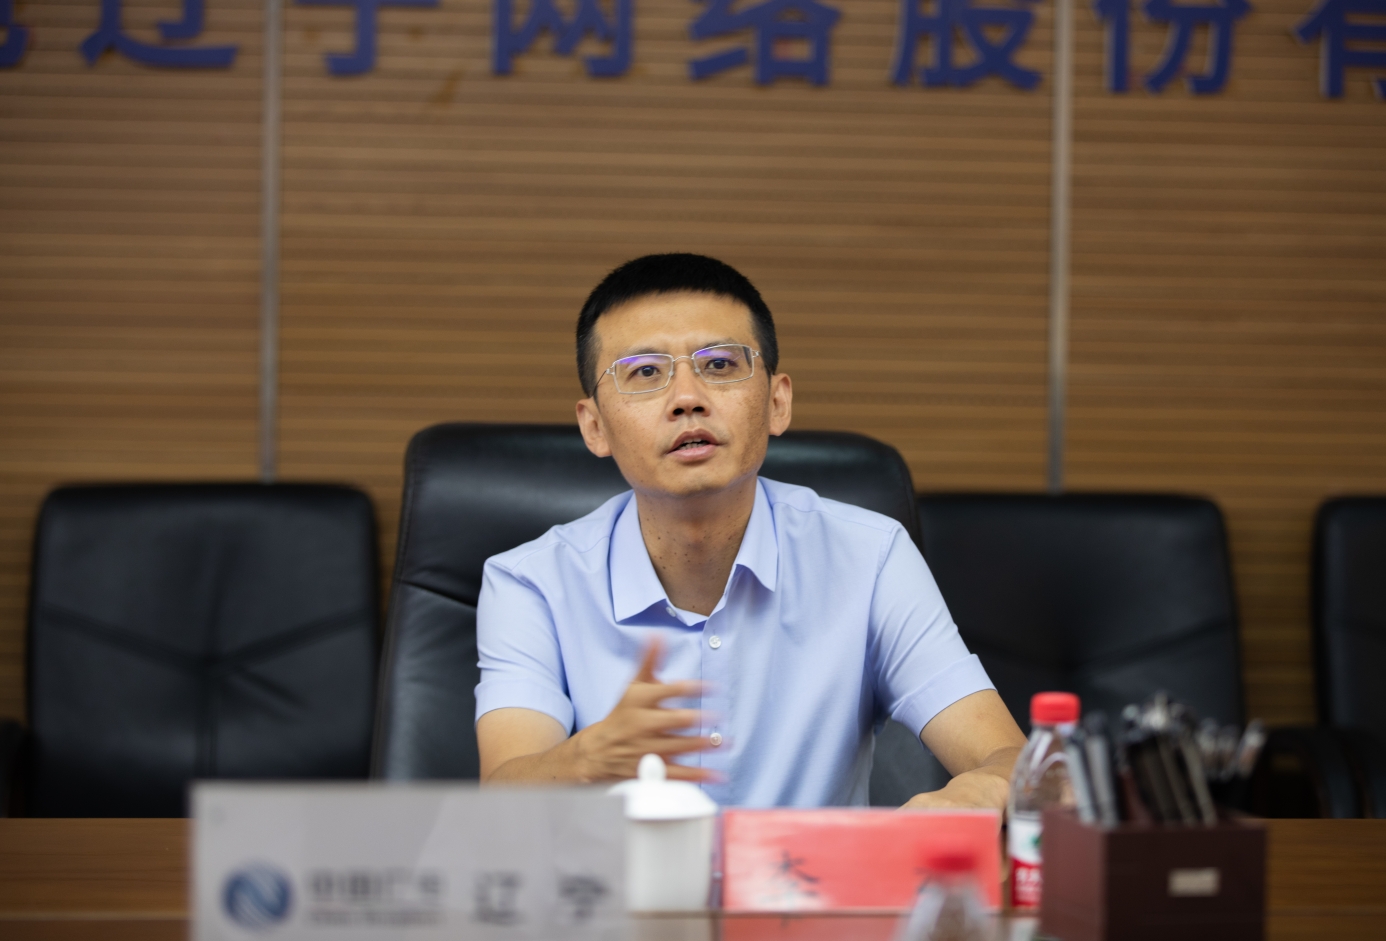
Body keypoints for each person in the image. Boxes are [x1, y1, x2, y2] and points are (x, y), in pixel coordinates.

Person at [474, 253, 1026, 808]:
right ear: (594, 426)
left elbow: (1010, 760)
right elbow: (501, 797)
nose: (687, 399)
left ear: (777, 402)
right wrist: (587, 760)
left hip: (808, 869)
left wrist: (978, 793)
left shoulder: (870, 558)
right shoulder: (531, 582)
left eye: (719, 364)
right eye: (644, 372)